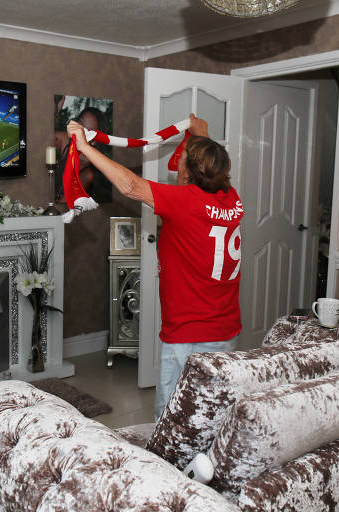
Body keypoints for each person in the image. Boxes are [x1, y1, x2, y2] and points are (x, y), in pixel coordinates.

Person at [67, 114, 243, 419]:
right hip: (225, 331)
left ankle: (170, 465)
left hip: (190, 336)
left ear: (188, 174)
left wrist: (85, 146)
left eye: (183, 158)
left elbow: (131, 186)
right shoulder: (231, 198)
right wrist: (201, 135)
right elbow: (212, 167)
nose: (176, 164)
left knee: (174, 418)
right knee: (211, 412)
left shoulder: (186, 201)